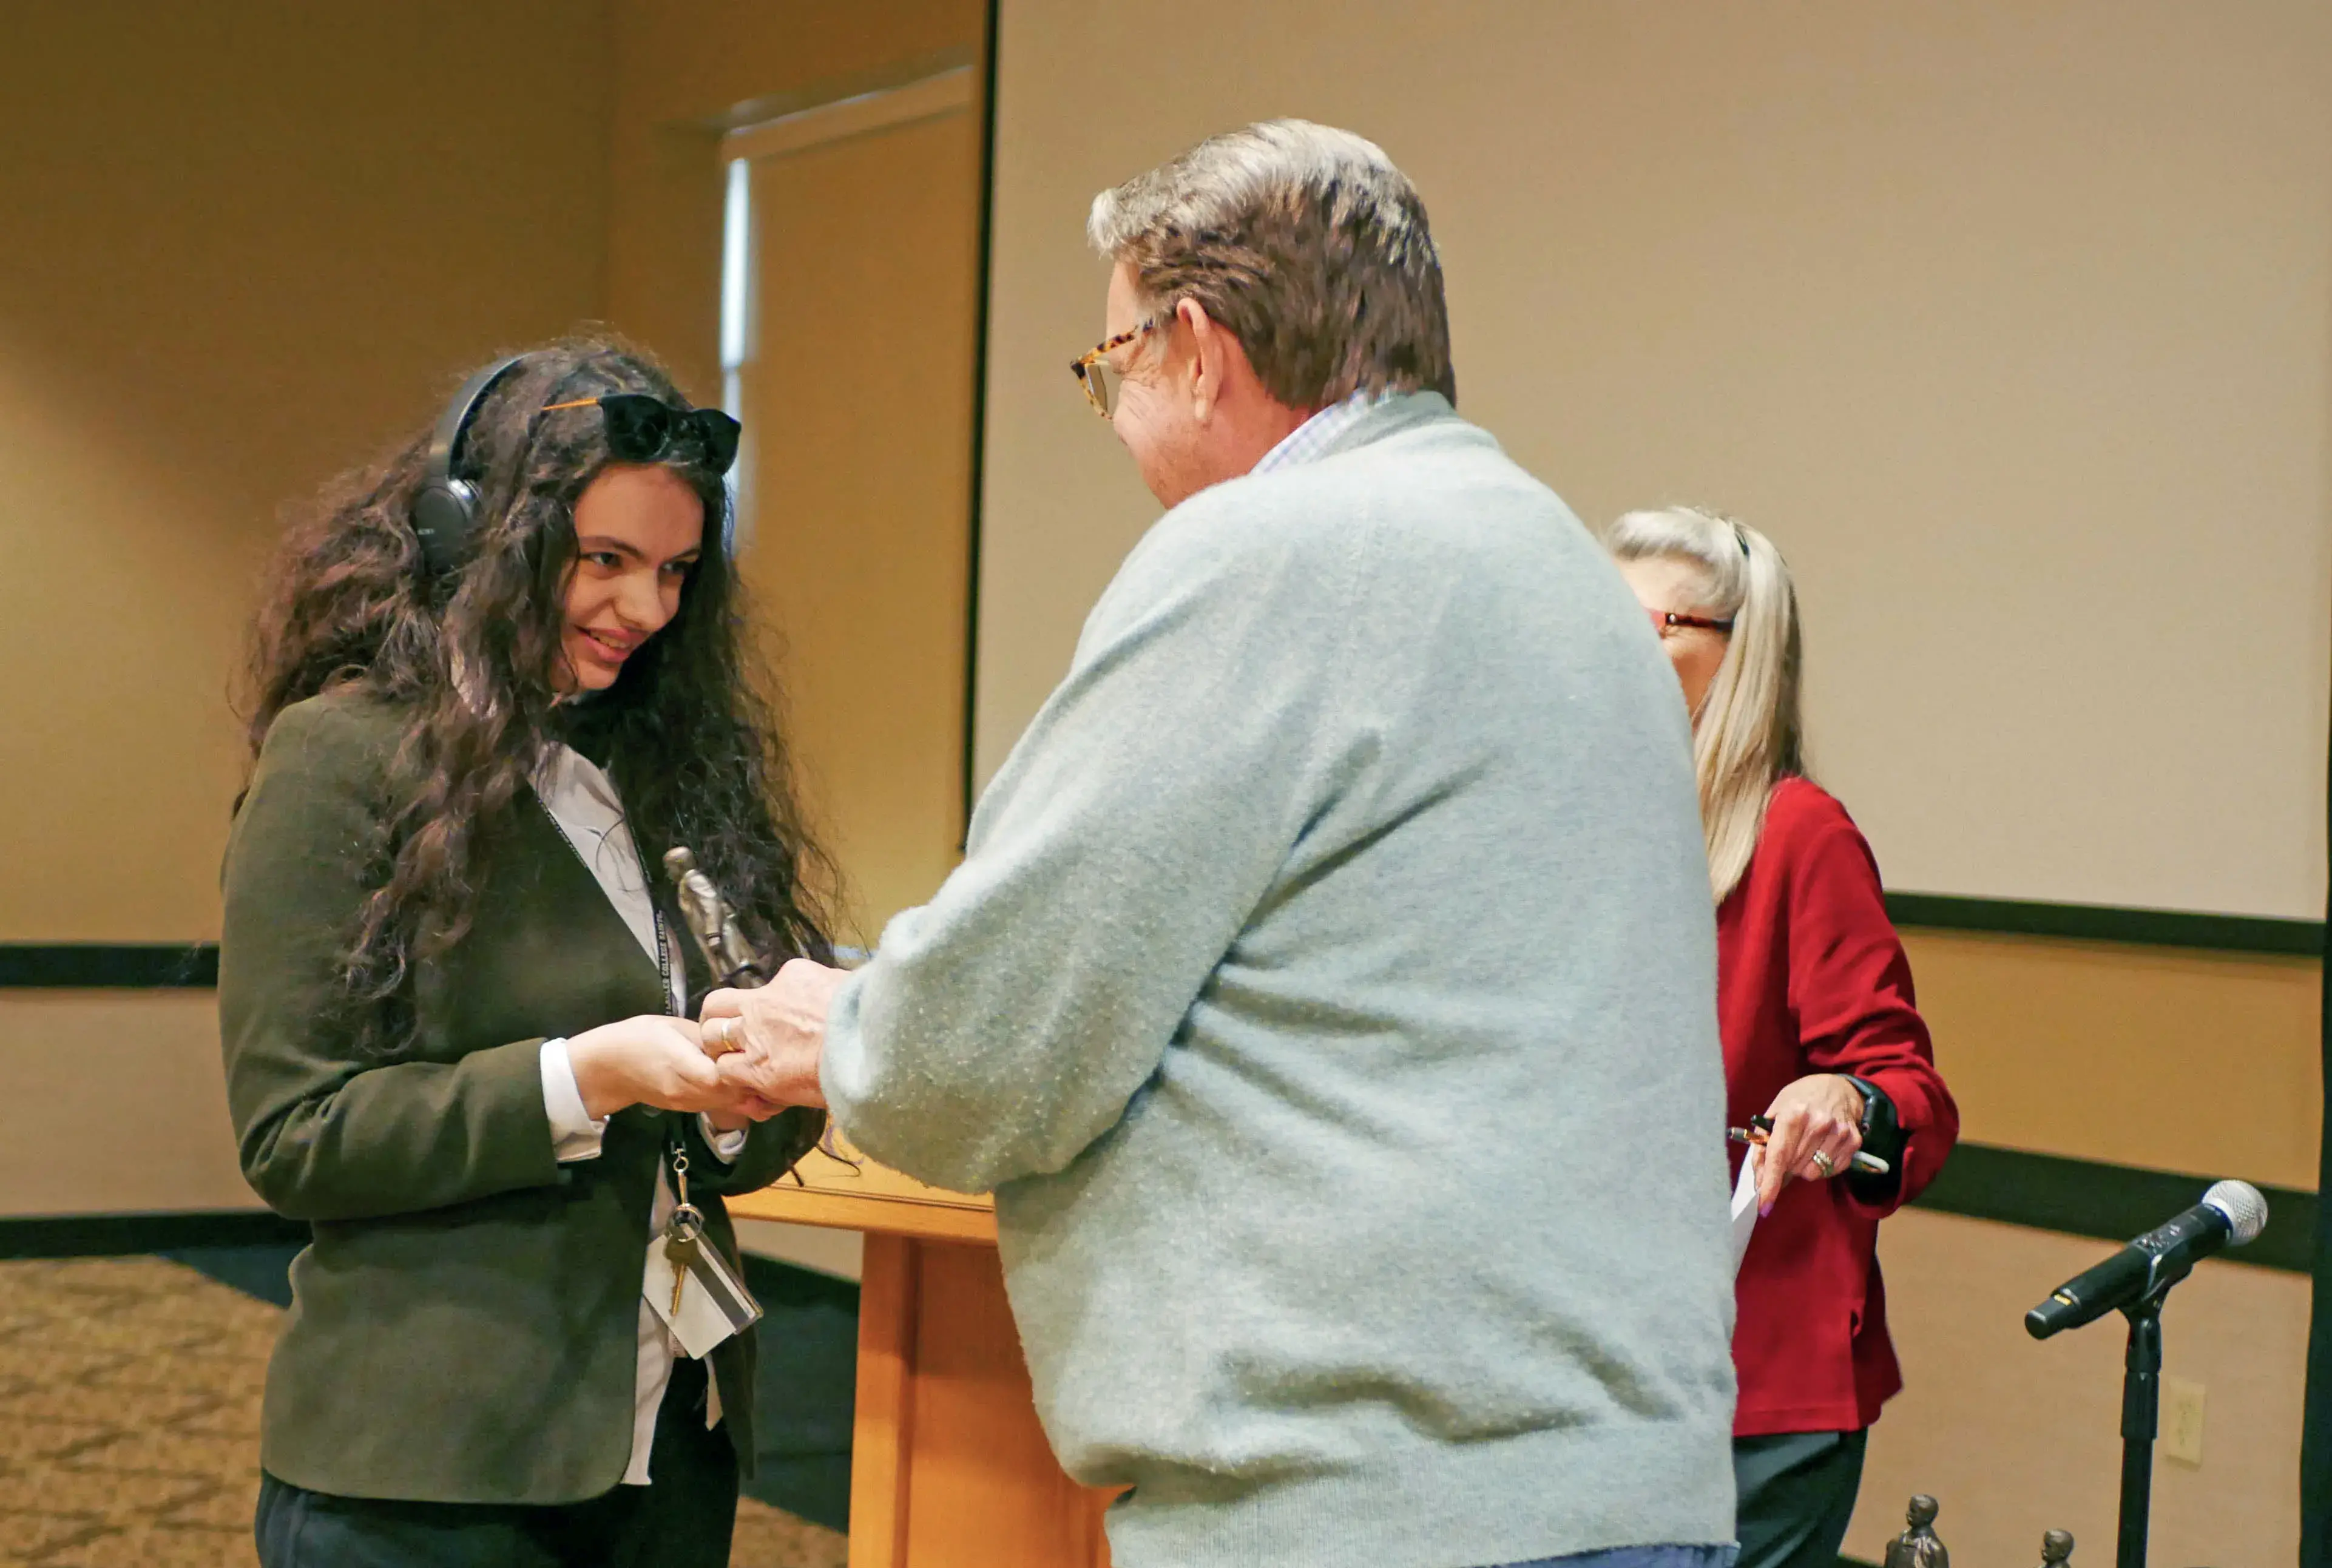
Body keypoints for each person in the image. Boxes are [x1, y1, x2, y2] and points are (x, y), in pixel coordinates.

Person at [698, 121, 1739, 1568]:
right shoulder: (1567, 574)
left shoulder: (1272, 550)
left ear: (1194, 346)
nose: (1116, 415)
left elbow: (994, 1042)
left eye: (1111, 365)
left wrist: (846, 1023)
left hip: (1371, 1506)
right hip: (1615, 1489)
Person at [219, 337, 829, 1567]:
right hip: (431, 1476)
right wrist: (586, 1077)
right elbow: (295, 1133)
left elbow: (746, 1120)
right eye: (603, 560)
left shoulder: (670, 770)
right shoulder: (342, 756)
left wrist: (733, 1097)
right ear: (475, 538)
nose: (645, 610)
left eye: (673, 571)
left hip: (669, 1443)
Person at [1609, 507, 1960, 1568]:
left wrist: (1843, 1099)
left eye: (1639, 623)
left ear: (1731, 652)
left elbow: (1912, 1090)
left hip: (1754, 1387)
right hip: (1598, 1372)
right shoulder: (1597, 826)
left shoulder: (1798, 832)